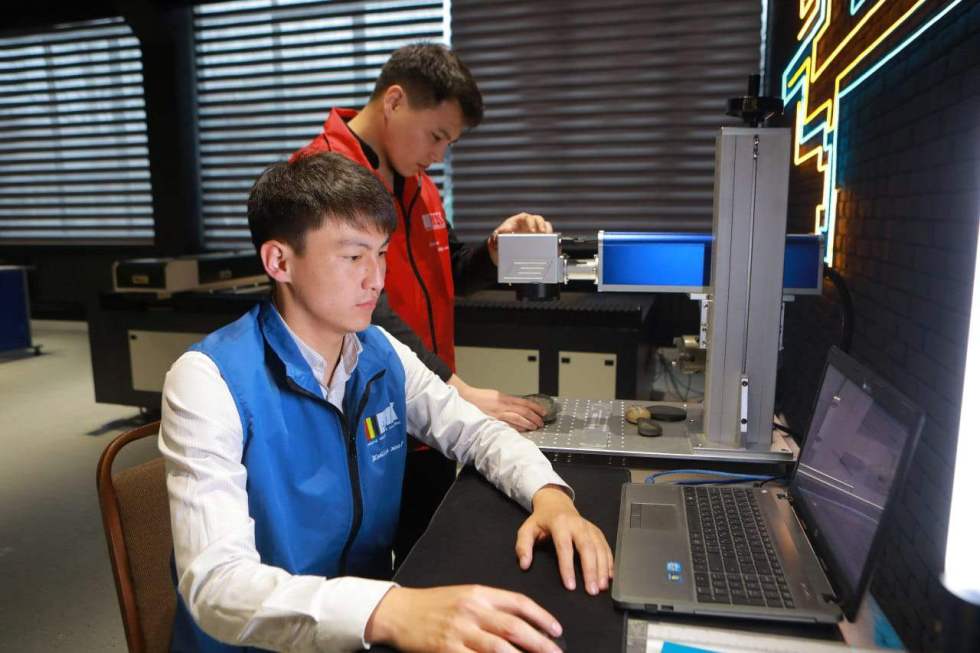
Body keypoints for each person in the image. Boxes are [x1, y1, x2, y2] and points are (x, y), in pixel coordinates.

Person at [159, 153, 613, 653]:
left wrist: (549, 495)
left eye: (381, 254)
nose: (376, 279)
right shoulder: (208, 380)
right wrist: (388, 609)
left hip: (368, 632)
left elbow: (476, 432)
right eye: (354, 257)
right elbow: (216, 586)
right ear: (279, 262)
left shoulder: (380, 351)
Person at [291, 42, 554, 565]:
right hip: (363, 419)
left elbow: (446, 268)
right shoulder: (321, 178)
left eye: (449, 143)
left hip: (427, 419)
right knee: (360, 571)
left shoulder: (419, 184)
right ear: (394, 101)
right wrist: (454, 389)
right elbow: (362, 307)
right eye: (436, 135)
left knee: (428, 559)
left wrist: (493, 253)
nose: (439, 155)